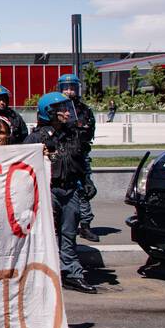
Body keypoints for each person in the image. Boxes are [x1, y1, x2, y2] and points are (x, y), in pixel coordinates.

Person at [27, 92, 95, 294]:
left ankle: (72, 273)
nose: (68, 112)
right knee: (46, 234)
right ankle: (43, 274)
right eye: (62, 109)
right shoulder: (36, 137)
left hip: (70, 188)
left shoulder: (72, 134)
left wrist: (86, 180)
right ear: (50, 113)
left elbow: (80, 160)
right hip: (48, 190)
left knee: (69, 232)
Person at [56, 73, 99, 242]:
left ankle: (86, 225)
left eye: (72, 87)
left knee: (84, 188)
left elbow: (89, 131)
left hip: (80, 153)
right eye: (65, 88)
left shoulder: (84, 109)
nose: (69, 91)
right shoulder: (56, 107)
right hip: (62, 154)